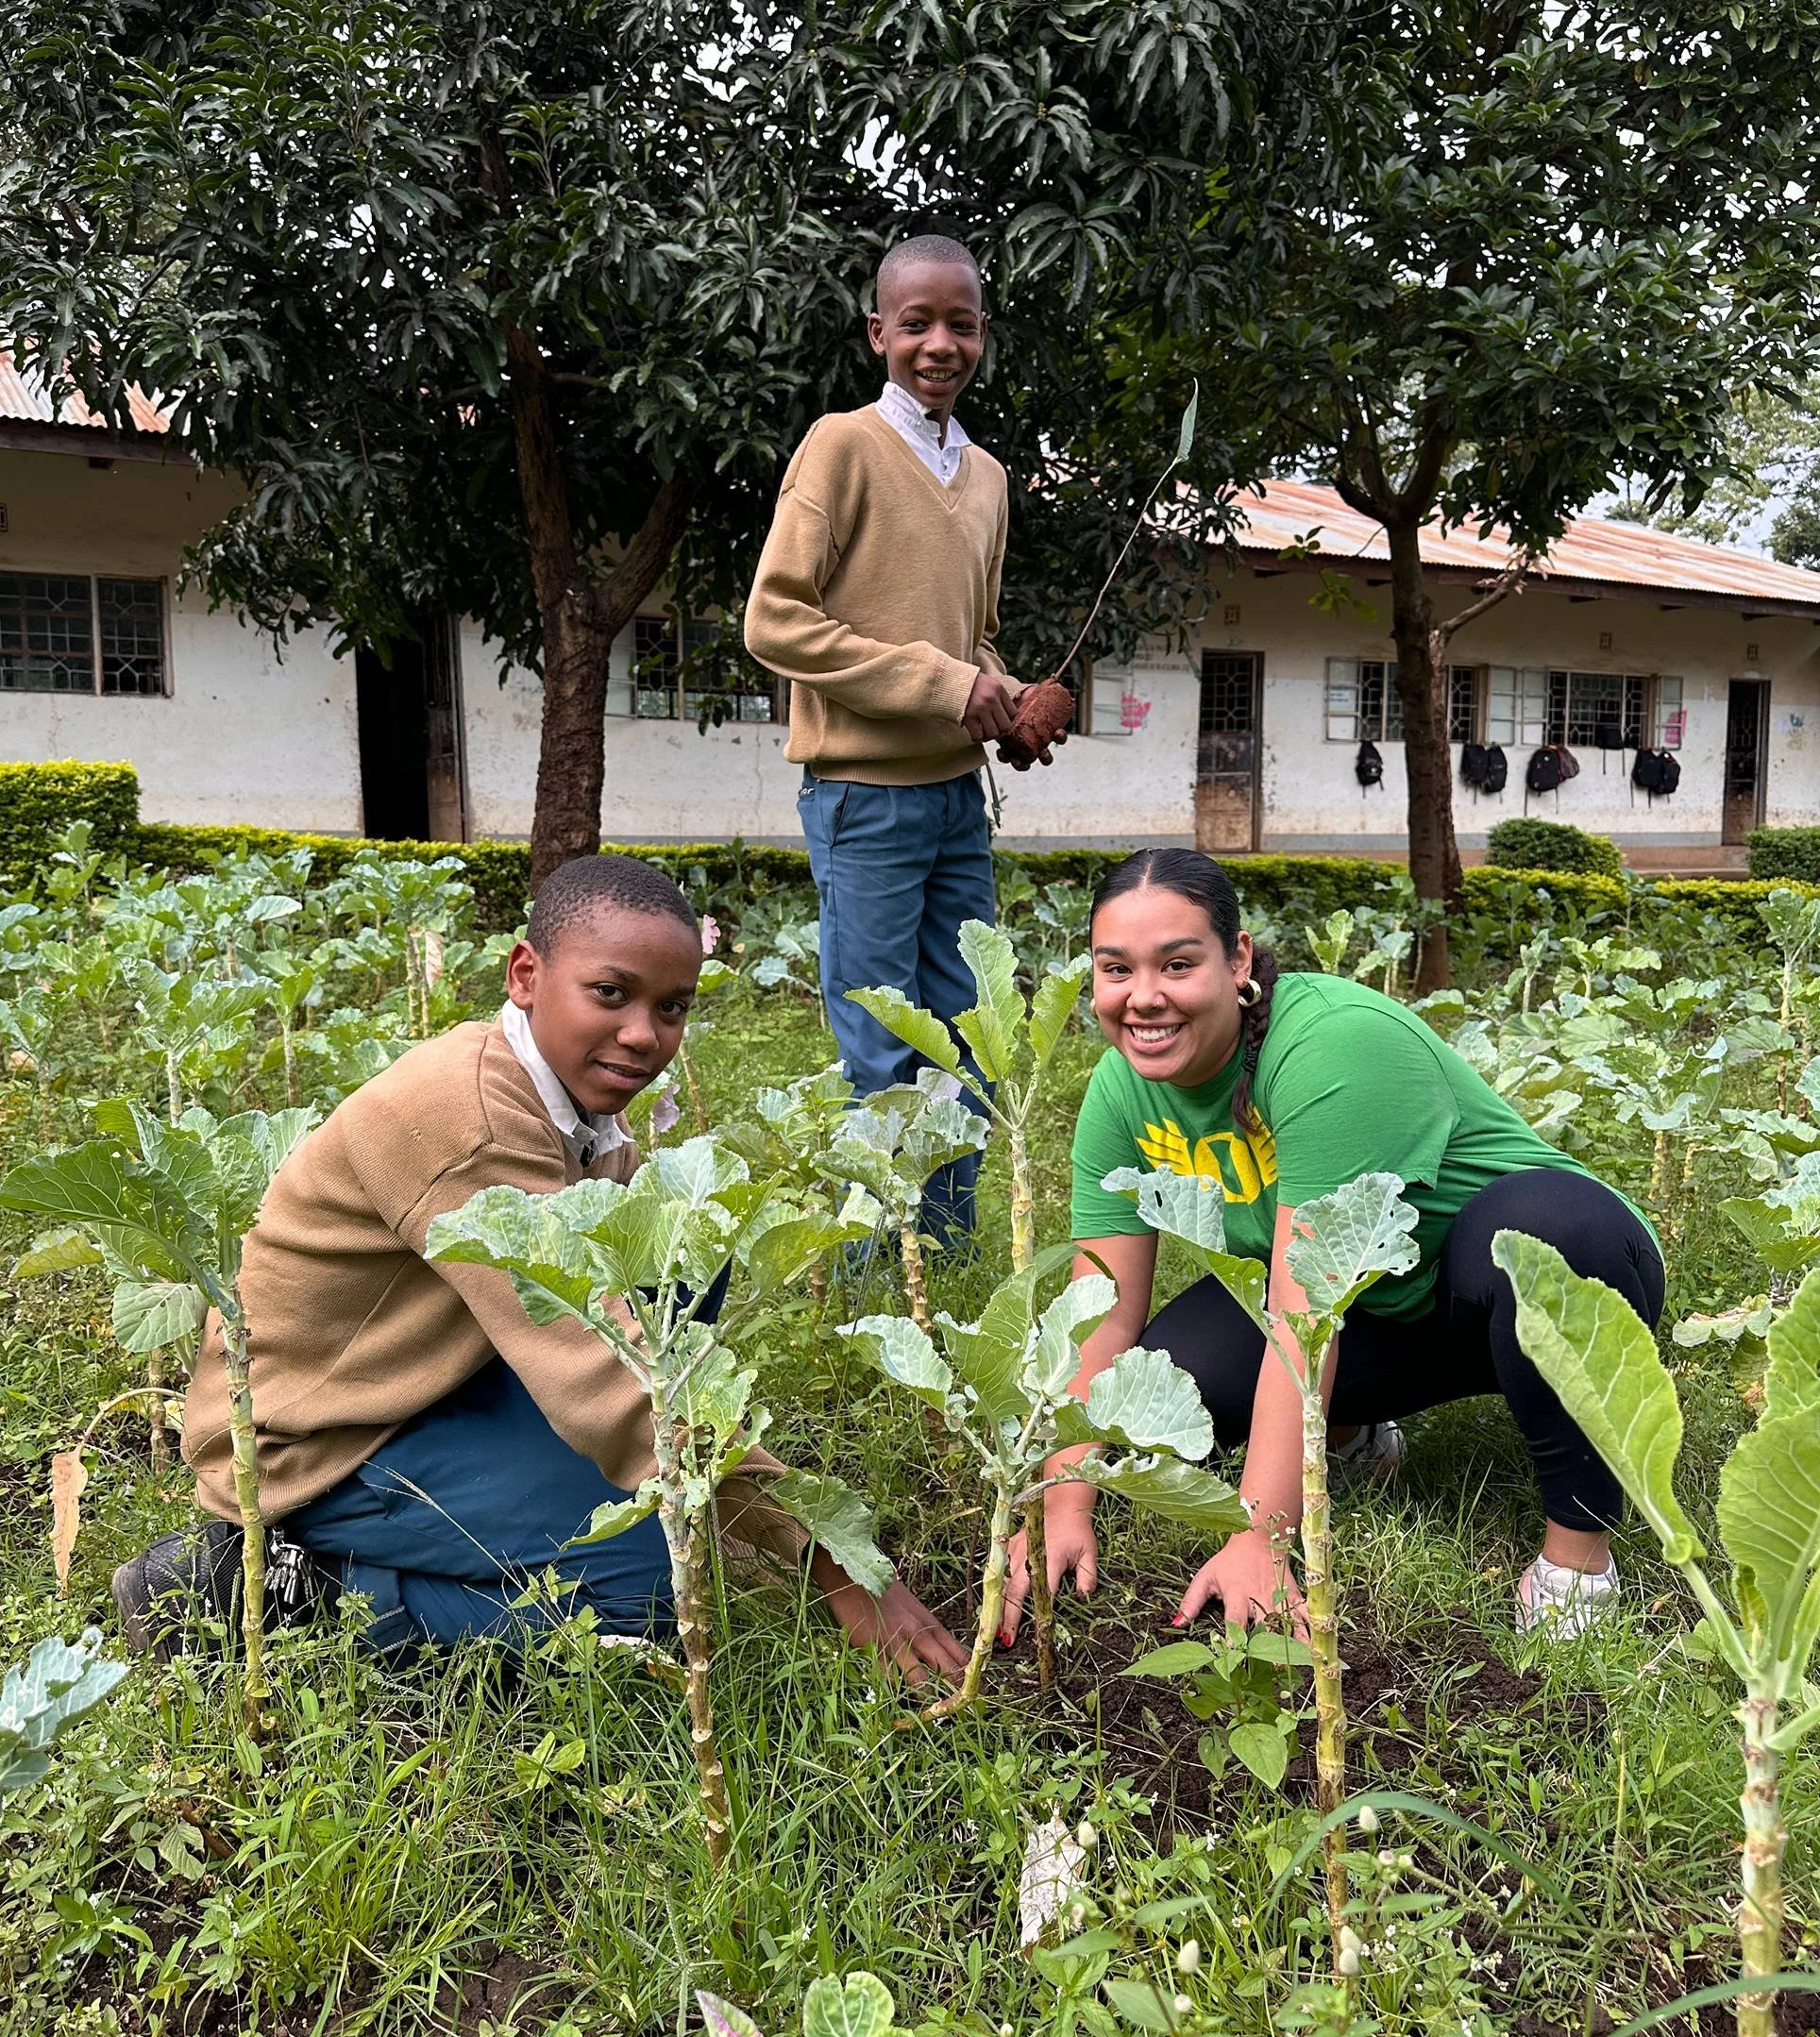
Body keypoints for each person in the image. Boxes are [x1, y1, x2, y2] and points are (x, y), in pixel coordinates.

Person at [112, 854, 965, 1683]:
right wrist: (829, 1558)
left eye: (673, 1007)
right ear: (526, 974)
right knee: (652, 1583)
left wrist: (737, 1495)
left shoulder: (553, 1088)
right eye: (610, 993)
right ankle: (279, 1585)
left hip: (428, 1381)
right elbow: (607, 1376)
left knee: (681, 1260)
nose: (643, 1034)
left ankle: (545, 1497)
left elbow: (623, 1330)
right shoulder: (473, 1123)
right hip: (313, 1445)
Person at [1001, 848, 1665, 1646]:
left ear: (1237, 958)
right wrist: (1063, 1504)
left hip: (1522, 1282)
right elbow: (1101, 1314)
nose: (1145, 998)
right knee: (1173, 1380)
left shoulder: (1330, 1049)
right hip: (1371, 1306)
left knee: (1547, 1237)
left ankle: (1576, 1567)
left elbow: (1301, 1309)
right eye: (1117, 970)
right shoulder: (1120, 1092)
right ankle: (1350, 1437)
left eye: (1178, 963)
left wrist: (1262, 1535)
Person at [744, 232, 1033, 1242]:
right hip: (861, 796)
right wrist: (952, 684)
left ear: (982, 336)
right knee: (879, 1039)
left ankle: (942, 1250)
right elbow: (773, 620)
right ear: (878, 332)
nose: (938, 343)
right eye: (916, 323)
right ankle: (884, 1259)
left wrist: (1007, 697)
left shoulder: (988, 476)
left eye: (959, 324)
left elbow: (972, 637)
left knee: (964, 1033)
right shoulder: (841, 445)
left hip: (956, 799)